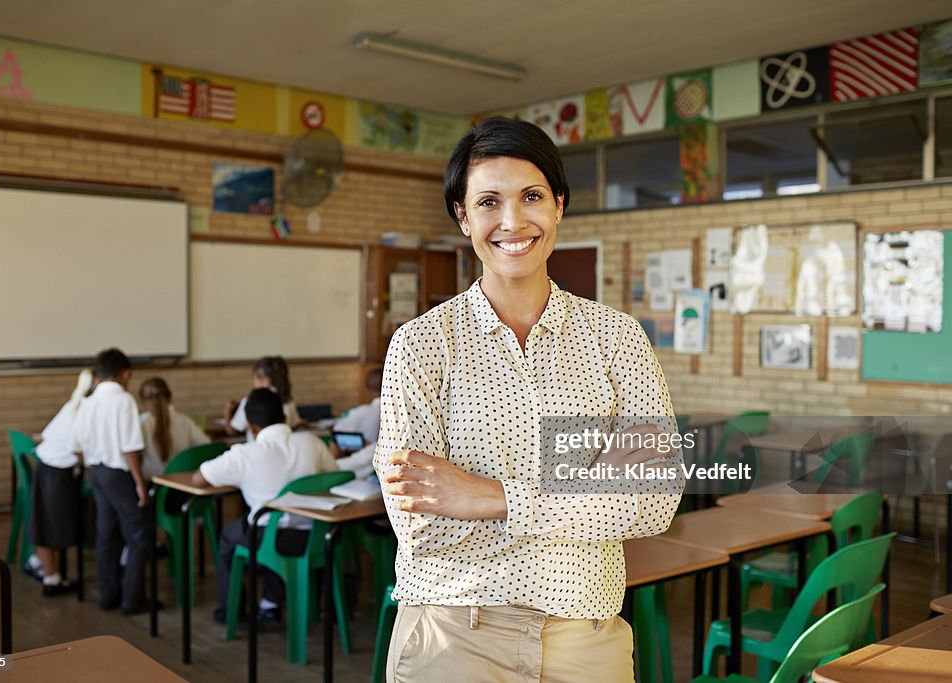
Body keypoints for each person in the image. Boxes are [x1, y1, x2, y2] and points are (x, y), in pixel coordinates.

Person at [374, 117, 683, 682]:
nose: (512, 221)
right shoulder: (420, 345)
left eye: (532, 196)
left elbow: (655, 500)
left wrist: (489, 497)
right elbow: (421, 524)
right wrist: (587, 500)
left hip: (586, 638)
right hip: (454, 633)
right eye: (488, 201)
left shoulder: (617, 338)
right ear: (463, 217)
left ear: (559, 205)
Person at [194, 387, 337, 628]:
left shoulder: (245, 454)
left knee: (232, 536)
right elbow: (335, 477)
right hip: (317, 536)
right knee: (268, 526)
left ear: (251, 428)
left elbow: (199, 478)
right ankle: (270, 602)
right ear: (284, 418)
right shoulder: (312, 443)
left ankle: (232, 609)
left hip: (271, 538)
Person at [71, 348, 153, 615]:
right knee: (139, 534)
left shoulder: (88, 400)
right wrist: (139, 482)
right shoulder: (124, 400)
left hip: (97, 471)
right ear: (125, 374)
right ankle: (133, 599)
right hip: (119, 474)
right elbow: (130, 446)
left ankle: (109, 595)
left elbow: (78, 446)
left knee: (106, 534)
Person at [28, 368, 93, 596]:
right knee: (52, 526)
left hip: (45, 467)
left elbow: (48, 435)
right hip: (57, 473)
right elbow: (80, 451)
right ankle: (51, 577)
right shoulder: (88, 412)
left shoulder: (73, 404)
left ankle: (42, 565)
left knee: (44, 521)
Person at [138, 377, 210, 478]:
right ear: (170, 398)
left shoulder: (140, 423)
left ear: (142, 402)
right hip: (182, 483)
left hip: (154, 485)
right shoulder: (185, 421)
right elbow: (205, 446)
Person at [223, 356, 301, 441]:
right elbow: (294, 426)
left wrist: (227, 412)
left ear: (259, 376)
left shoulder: (251, 401)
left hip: (257, 450)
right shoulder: (288, 399)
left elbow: (232, 431)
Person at [331, 366, 383, 478]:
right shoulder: (401, 413)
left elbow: (336, 437)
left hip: (363, 468)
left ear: (368, 389)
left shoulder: (359, 413)